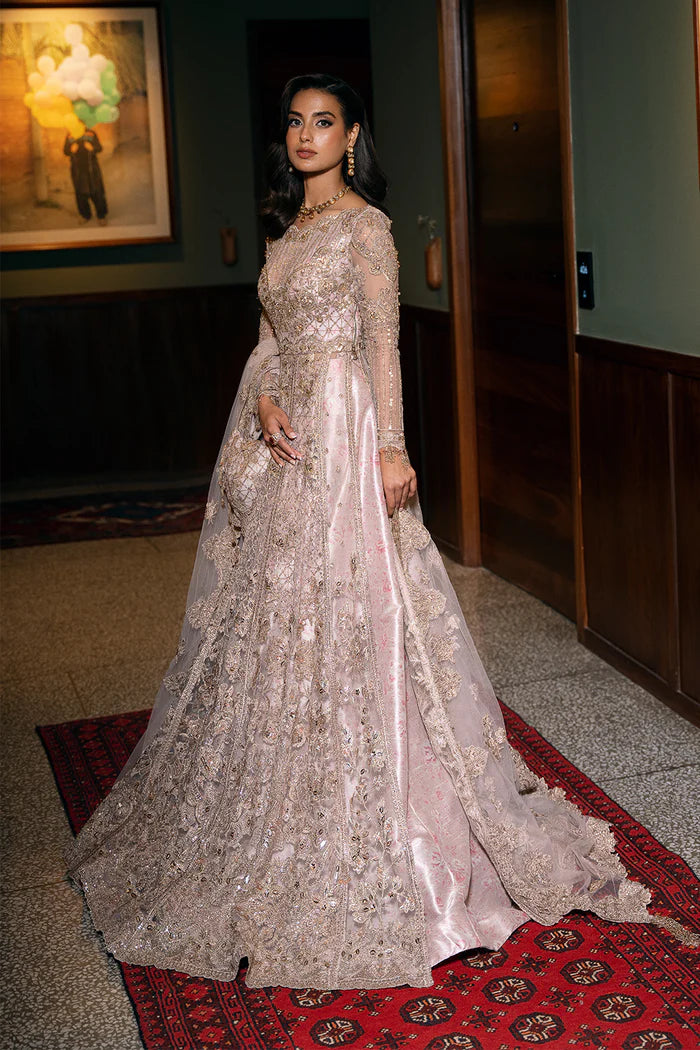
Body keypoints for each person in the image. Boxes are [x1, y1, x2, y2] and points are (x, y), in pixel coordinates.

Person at [64, 73, 698, 991]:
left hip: (349, 430)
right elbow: (269, 339)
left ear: (353, 136)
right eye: (295, 122)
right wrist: (267, 400)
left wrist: (393, 449)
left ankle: (400, 811)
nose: (306, 136)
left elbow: (381, 345)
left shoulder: (367, 229)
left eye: (324, 122)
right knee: (281, 615)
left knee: (364, 608)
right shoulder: (287, 231)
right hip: (292, 442)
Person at [63, 127, 108, 225]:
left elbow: (99, 148)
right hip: (77, 169)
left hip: (92, 169)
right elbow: (65, 151)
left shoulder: (91, 134)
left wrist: (92, 148)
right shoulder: (70, 135)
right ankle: (85, 215)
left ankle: (101, 216)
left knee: (97, 191)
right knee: (80, 193)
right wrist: (71, 150)